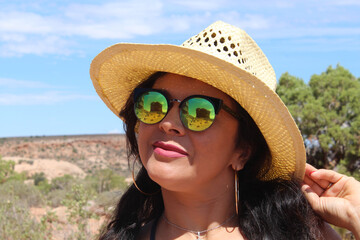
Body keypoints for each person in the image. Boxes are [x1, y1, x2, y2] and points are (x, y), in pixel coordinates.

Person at [90, 21, 360, 239]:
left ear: (243, 150)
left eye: (199, 112)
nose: (168, 123)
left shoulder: (301, 235)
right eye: (153, 104)